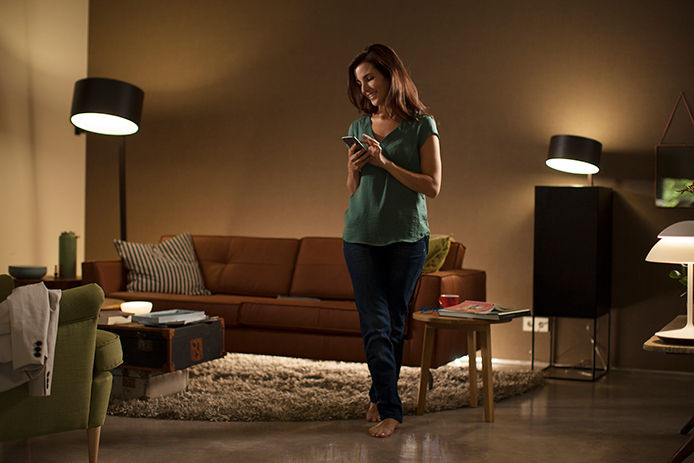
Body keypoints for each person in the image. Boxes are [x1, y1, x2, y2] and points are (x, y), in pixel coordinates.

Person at [342, 43, 442, 438]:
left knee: (394, 323)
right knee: (375, 323)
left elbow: (432, 186)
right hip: (360, 236)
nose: (364, 87)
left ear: (390, 75)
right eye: (359, 82)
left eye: (369, 78)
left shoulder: (422, 125)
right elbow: (352, 189)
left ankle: (379, 394)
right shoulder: (356, 127)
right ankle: (390, 407)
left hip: (406, 238)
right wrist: (354, 168)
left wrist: (385, 162)